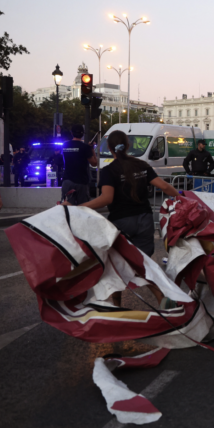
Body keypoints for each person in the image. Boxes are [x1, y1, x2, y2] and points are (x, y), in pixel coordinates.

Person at [65, 131, 180, 308]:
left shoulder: (109, 171)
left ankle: (117, 306)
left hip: (121, 222)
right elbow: (164, 186)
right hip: (145, 219)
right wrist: (182, 199)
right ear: (128, 146)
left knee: (115, 265)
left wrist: (78, 207)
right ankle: (161, 299)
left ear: (109, 148)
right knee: (144, 264)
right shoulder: (141, 165)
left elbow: (106, 199)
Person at [62, 125, 98, 205]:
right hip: (81, 181)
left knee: (67, 206)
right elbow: (94, 163)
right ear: (82, 134)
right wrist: (91, 149)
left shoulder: (65, 145)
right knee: (82, 207)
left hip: (67, 180)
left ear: (71, 133)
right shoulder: (85, 147)